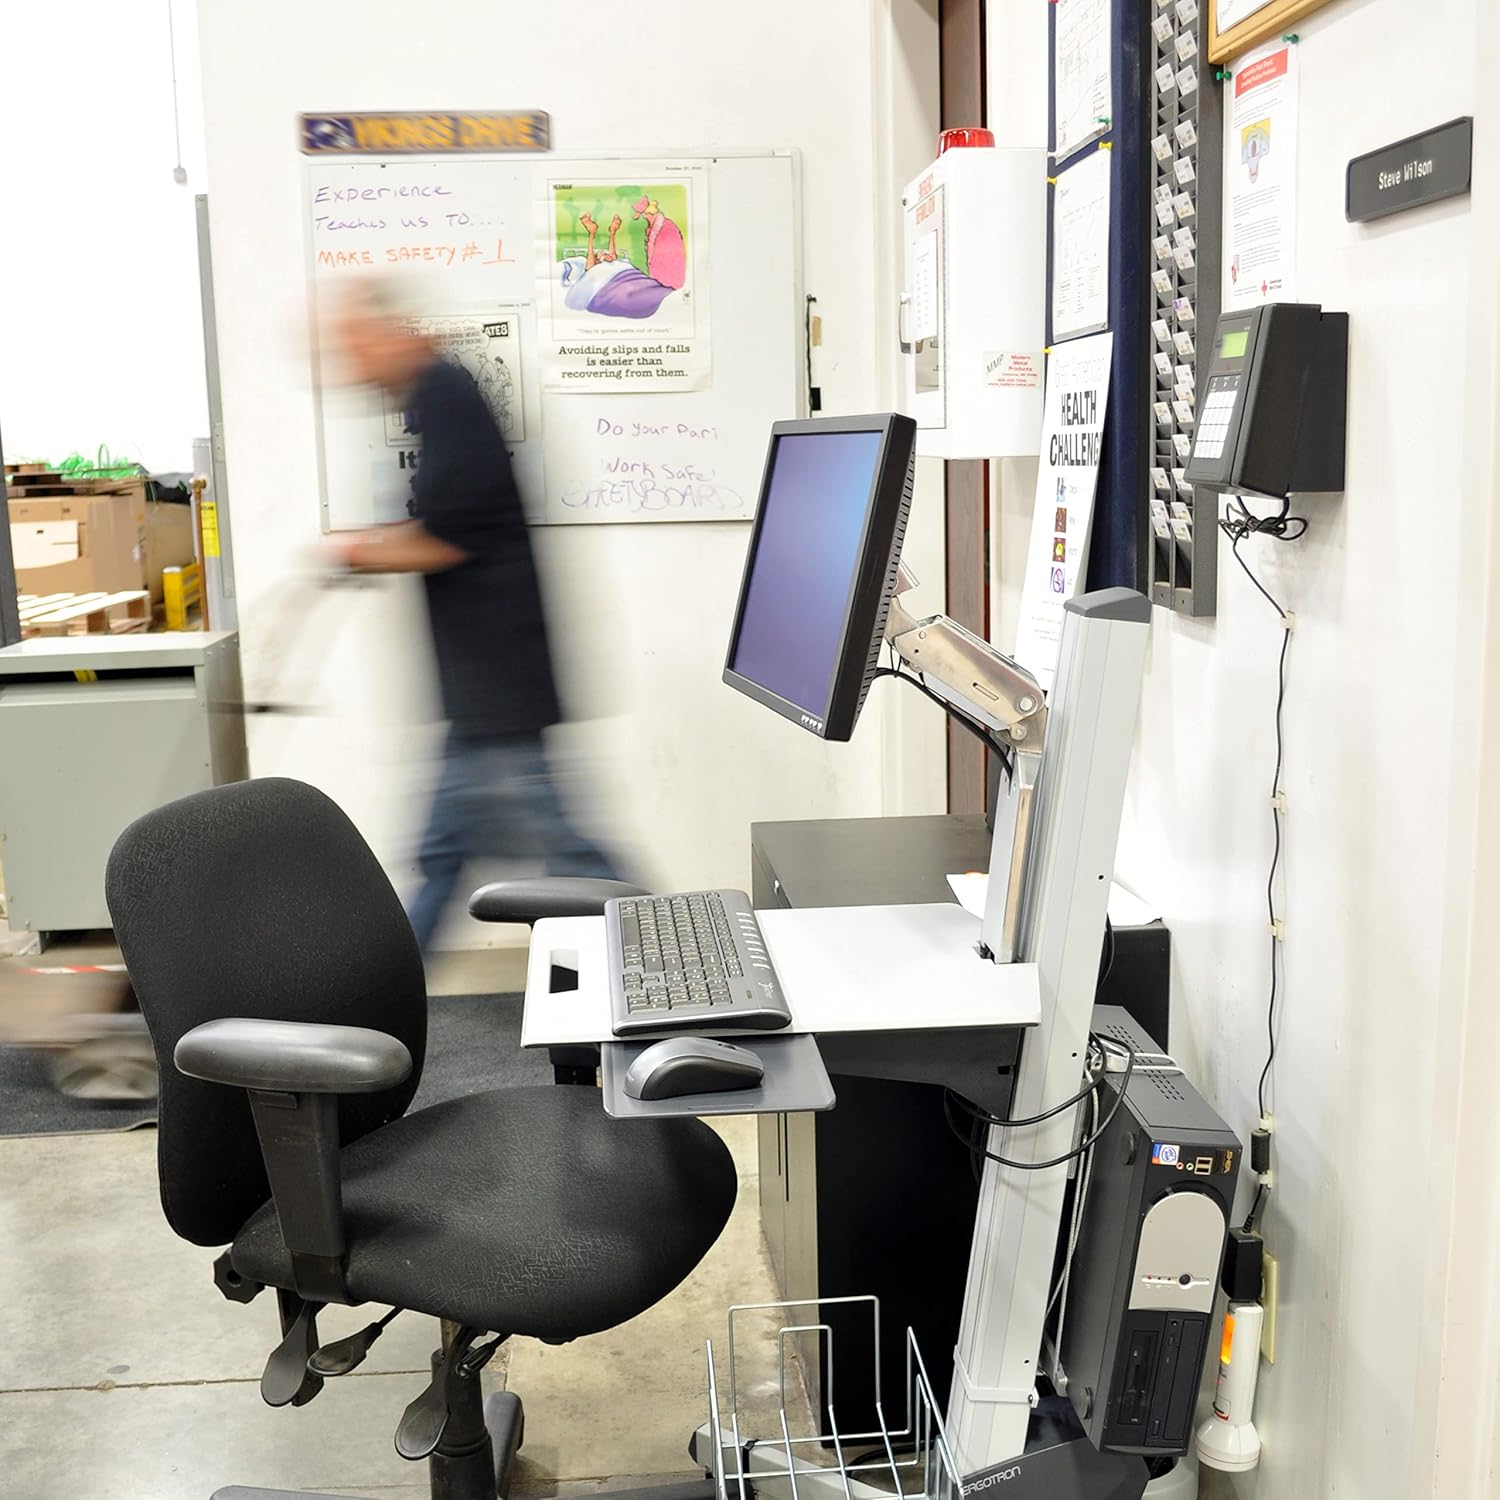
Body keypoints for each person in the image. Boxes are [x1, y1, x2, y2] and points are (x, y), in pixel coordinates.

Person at [330, 279, 621, 955]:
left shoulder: (446, 395)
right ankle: (386, 991)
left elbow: (447, 538)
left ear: (388, 334)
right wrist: (374, 545)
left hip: (498, 690)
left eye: (354, 346)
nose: (350, 367)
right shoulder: (436, 398)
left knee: (572, 858)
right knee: (444, 856)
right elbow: (452, 517)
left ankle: (674, 948)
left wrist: (354, 552)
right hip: (484, 689)